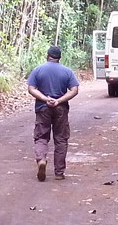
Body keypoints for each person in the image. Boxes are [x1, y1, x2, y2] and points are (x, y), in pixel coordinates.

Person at [26, 46, 79, 181]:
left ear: (47, 56)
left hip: (43, 107)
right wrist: (59, 100)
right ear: (59, 58)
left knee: (41, 137)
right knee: (61, 139)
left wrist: (45, 98)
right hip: (61, 108)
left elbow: (31, 89)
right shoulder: (67, 71)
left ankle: (42, 160)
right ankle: (59, 172)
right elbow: (74, 90)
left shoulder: (38, 70)